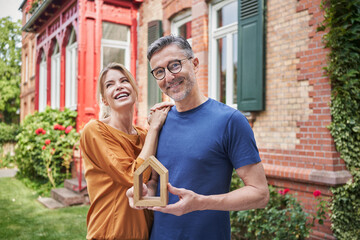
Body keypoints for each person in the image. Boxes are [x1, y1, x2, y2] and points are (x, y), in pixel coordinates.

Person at [127, 35, 270, 240]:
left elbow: (260, 194)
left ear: (194, 64)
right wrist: (146, 194)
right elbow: (156, 179)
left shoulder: (230, 120)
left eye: (174, 65)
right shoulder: (159, 121)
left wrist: (201, 202)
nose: (168, 77)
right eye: (159, 72)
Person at [80, 62, 172, 240]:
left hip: (144, 232)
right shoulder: (96, 130)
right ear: (104, 99)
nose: (119, 86)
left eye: (124, 81)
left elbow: (153, 180)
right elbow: (133, 178)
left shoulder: (145, 136)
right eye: (110, 84)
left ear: (134, 90)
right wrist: (154, 128)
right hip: (110, 233)